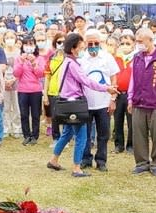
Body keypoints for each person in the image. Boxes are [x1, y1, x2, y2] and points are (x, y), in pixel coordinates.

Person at [46, 33, 117, 177]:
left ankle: (54, 160)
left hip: (67, 103)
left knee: (67, 134)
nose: (83, 47)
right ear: (73, 48)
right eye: (80, 45)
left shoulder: (67, 62)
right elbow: (86, 81)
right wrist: (106, 88)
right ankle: (77, 168)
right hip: (75, 104)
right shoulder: (72, 64)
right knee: (82, 136)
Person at [128, 28, 156, 177]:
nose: (138, 44)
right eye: (137, 41)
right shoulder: (137, 57)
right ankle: (141, 163)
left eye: (141, 41)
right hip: (138, 102)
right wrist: (130, 99)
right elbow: (132, 80)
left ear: (150, 40)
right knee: (138, 135)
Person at [79, 29, 119, 171]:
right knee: (85, 134)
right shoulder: (81, 59)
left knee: (103, 134)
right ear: (85, 43)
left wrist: (113, 98)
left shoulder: (107, 57)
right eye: (90, 43)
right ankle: (85, 159)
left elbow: (114, 78)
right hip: (86, 103)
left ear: (100, 42)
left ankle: (101, 160)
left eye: (96, 43)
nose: (93, 45)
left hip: (104, 103)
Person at [14, 35, 45, 146]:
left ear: (35, 46)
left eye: (31, 44)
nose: (28, 46)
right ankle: (26, 135)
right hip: (22, 90)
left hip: (35, 90)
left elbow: (40, 74)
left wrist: (33, 63)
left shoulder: (40, 58)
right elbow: (16, 73)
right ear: (22, 46)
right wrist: (22, 61)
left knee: (36, 115)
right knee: (24, 114)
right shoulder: (18, 58)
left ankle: (35, 136)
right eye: (26, 44)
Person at [113, 33, 135, 154]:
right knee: (117, 120)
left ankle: (131, 145)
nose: (125, 46)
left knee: (131, 121)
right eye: (122, 44)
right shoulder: (116, 59)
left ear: (133, 45)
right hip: (118, 93)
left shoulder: (136, 58)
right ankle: (118, 145)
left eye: (128, 44)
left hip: (131, 94)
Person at [43, 32, 66, 147]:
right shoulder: (51, 58)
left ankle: (65, 139)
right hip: (52, 91)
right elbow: (47, 77)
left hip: (66, 92)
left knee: (65, 117)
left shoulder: (69, 58)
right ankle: (56, 139)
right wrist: (45, 94)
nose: (61, 44)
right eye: (59, 42)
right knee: (54, 117)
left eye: (63, 42)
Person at [2, 29, 22, 139]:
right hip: (4, 81)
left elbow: (21, 68)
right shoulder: (1, 51)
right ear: (4, 40)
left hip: (17, 82)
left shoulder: (19, 52)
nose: (10, 40)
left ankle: (17, 128)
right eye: (7, 38)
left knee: (16, 106)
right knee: (5, 107)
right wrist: (4, 80)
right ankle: (6, 128)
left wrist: (13, 79)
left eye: (12, 37)